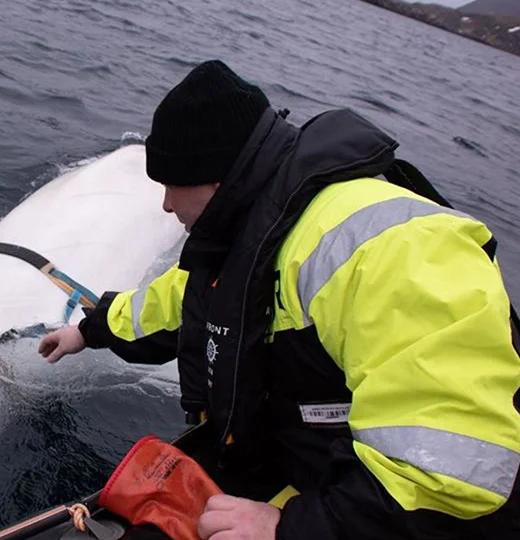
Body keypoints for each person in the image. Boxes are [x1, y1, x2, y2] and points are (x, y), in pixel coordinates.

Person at [38, 60, 520, 539]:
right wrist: (89, 330)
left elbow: (452, 478)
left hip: (379, 514)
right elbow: (184, 303)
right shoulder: (259, 227)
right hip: (313, 470)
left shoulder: (395, 250)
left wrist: (288, 529)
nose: (166, 204)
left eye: (171, 184)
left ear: (214, 176)